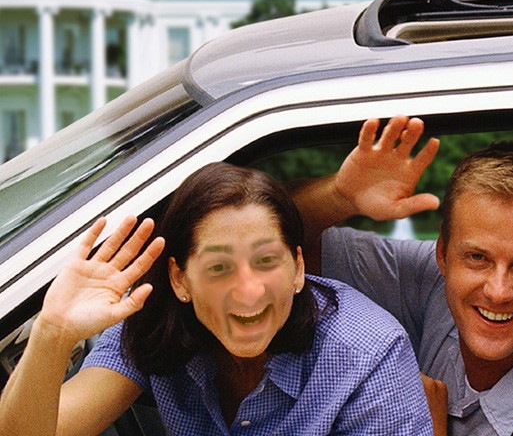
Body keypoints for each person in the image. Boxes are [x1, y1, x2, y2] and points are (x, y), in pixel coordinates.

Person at [0, 162, 434, 436]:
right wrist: (53, 333)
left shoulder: (366, 353)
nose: (247, 289)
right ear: (180, 279)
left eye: (266, 261)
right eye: (218, 267)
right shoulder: (155, 319)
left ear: (298, 268)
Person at [290, 116, 513, 436]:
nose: (498, 292)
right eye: (478, 258)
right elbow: (275, 247)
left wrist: (424, 428)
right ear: (442, 254)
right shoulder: (433, 280)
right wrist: (338, 197)